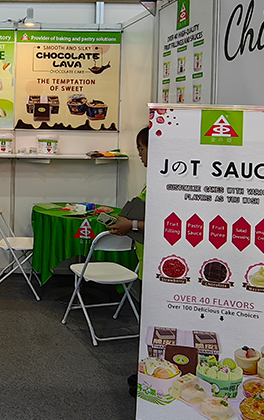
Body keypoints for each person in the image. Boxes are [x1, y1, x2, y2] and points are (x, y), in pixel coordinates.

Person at [105, 127, 148, 398]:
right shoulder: (151, 181)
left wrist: (130, 224)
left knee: (153, 321)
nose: (139, 155)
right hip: (145, 259)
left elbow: (167, 222)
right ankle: (147, 371)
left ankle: (151, 376)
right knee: (147, 320)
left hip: (157, 264)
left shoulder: (166, 182)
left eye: (142, 149)